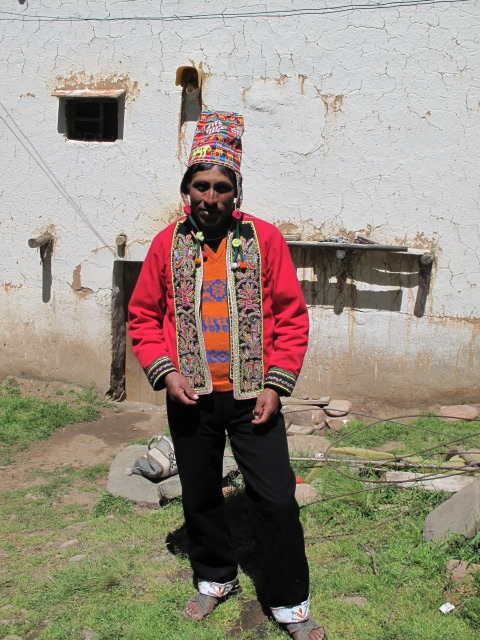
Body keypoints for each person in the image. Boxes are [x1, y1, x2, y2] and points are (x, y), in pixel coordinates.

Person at [128, 111, 326, 640]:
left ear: (235, 192)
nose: (210, 197)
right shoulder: (165, 245)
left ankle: (287, 601)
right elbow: (143, 316)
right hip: (189, 397)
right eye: (200, 186)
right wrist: (166, 373)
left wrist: (275, 384)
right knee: (199, 493)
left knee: (277, 498)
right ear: (186, 190)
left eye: (221, 187)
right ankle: (215, 577)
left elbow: (291, 316)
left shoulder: (264, 239)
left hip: (252, 399)